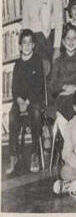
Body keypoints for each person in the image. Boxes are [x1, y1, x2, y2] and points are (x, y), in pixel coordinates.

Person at [6, 29, 44, 174]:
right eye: (24, 42)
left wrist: (27, 102)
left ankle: (34, 154)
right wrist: (20, 100)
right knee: (12, 115)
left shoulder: (37, 61)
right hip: (20, 101)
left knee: (35, 113)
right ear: (20, 46)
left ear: (33, 45)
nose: (27, 45)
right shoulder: (17, 65)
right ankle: (13, 155)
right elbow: (15, 87)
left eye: (30, 42)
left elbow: (38, 86)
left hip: (33, 100)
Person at [49, 23, 76, 135]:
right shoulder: (58, 62)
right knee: (66, 107)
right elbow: (52, 85)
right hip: (63, 96)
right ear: (63, 42)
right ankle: (72, 142)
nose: (71, 41)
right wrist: (64, 87)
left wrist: (75, 88)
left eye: (74, 38)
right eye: (68, 38)